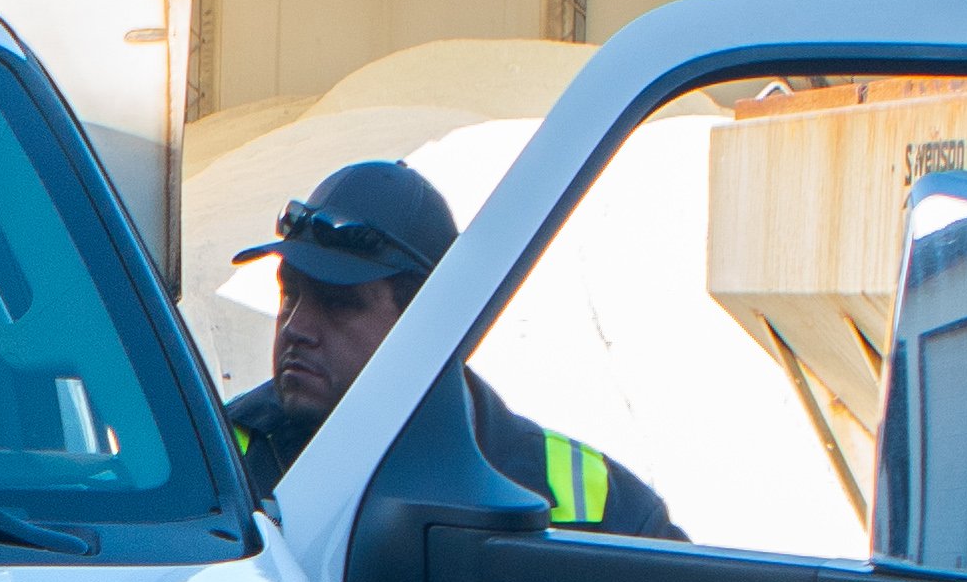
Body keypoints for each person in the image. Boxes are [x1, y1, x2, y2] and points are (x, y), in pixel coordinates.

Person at [221, 158, 680, 539]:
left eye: (338, 303)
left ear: (426, 325)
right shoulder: (215, 459)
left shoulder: (587, 502)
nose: (297, 326)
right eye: (289, 294)